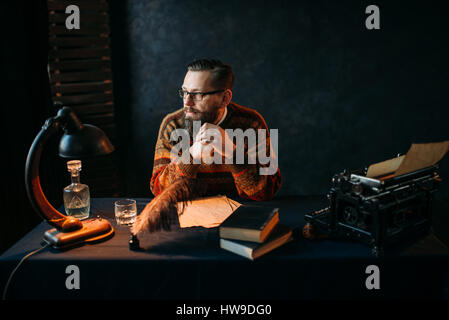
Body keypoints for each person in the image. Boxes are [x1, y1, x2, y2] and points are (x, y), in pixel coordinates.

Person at [150, 59, 282, 201]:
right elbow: (159, 190)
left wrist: (233, 152)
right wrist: (192, 155)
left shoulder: (251, 123)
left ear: (225, 98)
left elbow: (267, 191)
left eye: (198, 94)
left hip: (242, 214)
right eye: (185, 92)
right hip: (189, 215)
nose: (187, 102)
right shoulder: (172, 124)